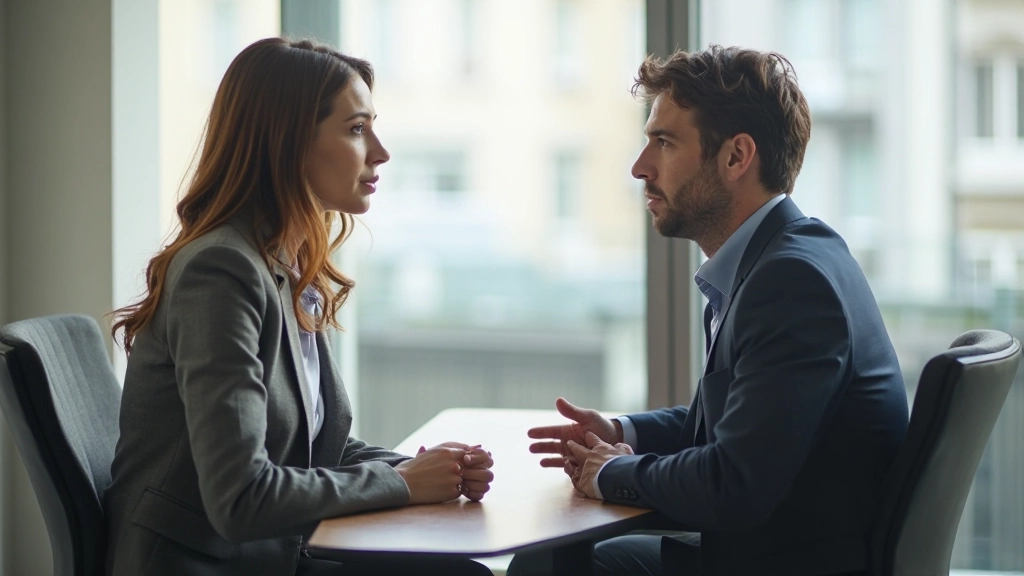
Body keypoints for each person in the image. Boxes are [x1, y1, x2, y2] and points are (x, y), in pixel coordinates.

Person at [105, 38, 494, 576]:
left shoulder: (286, 265)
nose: (380, 151)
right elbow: (242, 497)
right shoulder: (220, 272)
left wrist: (424, 468)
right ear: (287, 143)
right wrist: (404, 483)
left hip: (270, 555)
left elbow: (311, 448)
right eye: (357, 129)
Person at [516, 46, 909, 576]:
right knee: (550, 560)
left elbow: (734, 482)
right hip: (772, 549)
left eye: (664, 142)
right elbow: (733, 428)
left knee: (547, 566)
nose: (640, 167)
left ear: (735, 157)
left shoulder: (790, 283)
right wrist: (620, 432)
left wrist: (612, 473)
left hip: (782, 562)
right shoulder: (775, 261)